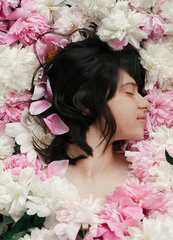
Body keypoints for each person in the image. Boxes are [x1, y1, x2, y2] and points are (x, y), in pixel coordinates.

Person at [33, 32, 150, 199]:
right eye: (130, 92)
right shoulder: (39, 187)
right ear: (86, 103)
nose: (146, 104)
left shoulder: (148, 175)